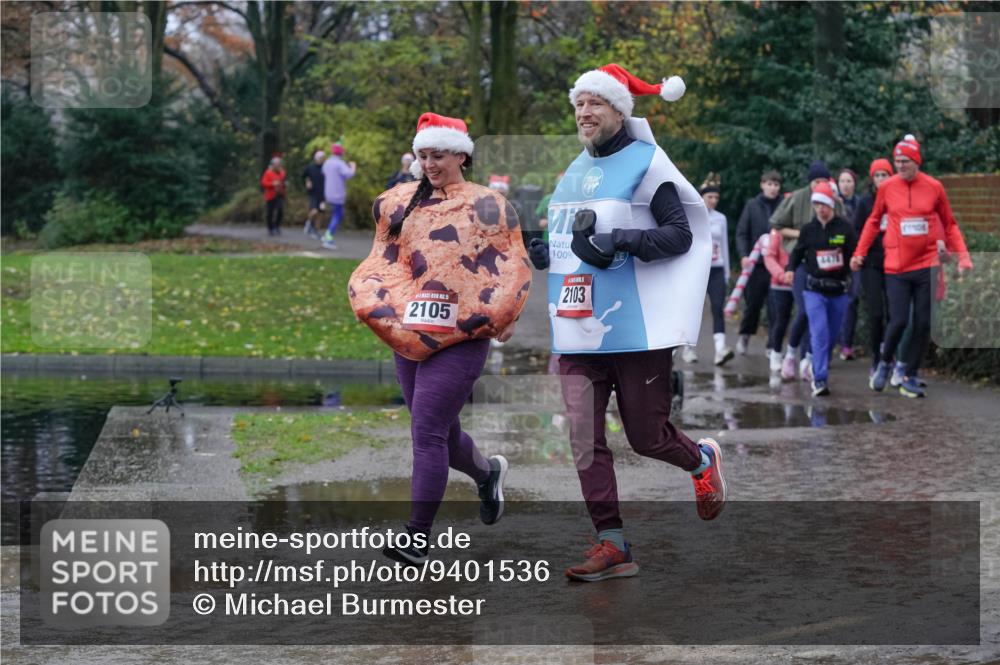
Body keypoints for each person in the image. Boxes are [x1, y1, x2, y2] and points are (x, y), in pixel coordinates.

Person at [527, 63, 727, 582]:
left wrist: (623, 240)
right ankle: (611, 542)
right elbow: (569, 242)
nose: (584, 112)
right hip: (577, 326)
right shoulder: (572, 171)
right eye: (579, 104)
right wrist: (544, 251)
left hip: (636, 328)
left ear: (620, 109)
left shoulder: (648, 164)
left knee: (646, 436)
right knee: (583, 436)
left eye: (595, 103)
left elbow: (680, 235)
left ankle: (701, 461)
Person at [348, 113, 531, 566]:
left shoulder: (489, 204)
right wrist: (375, 302)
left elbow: (511, 262)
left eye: (440, 155)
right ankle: (487, 475)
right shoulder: (400, 202)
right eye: (424, 155)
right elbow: (385, 259)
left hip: (464, 333)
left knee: (426, 432)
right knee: (441, 434)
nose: (430, 164)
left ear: (462, 155)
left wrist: (504, 313)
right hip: (410, 331)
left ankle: (416, 538)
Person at [852, 134, 973, 398]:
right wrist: (859, 252)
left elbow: (950, 224)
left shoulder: (934, 187)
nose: (900, 166)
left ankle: (908, 373)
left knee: (923, 323)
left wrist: (963, 257)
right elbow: (873, 221)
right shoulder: (887, 188)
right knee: (898, 321)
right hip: (896, 266)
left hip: (927, 263)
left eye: (905, 161)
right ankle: (884, 363)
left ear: (917, 161)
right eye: (897, 161)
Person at [771, 161, 847, 381]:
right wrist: (802, 235)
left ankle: (808, 359)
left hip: (827, 267)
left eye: (824, 181)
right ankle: (791, 355)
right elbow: (776, 224)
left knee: (820, 317)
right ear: (810, 182)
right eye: (816, 182)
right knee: (805, 311)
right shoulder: (797, 198)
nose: (819, 185)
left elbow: (844, 229)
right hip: (802, 260)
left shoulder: (834, 202)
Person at [783, 181, 856, 397]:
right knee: (819, 334)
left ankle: (817, 366)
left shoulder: (845, 228)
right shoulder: (808, 230)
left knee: (831, 337)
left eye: (824, 205)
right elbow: (797, 253)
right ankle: (820, 378)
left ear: (831, 205)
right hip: (814, 290)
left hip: (838, 291)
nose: (820, 209)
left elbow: (856, 252)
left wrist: (855, 262)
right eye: (816, 205)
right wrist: (790, 269)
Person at [850, 158, 894, 374]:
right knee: (876, 313)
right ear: (872, 179)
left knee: (894, 314)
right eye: (877, 175)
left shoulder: (897, 199)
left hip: (895, 263)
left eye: (884, 175)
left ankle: (890, 356)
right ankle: (876, 358)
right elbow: (856, 230)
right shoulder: (865, 203)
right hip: (871, 265)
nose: (880, 179)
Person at [735, 170, 783, 355]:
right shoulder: (752, 205)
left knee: (775, 307)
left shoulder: (783, 205)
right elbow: (742, 233)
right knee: (753, 305)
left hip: (776, 266)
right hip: (755, 265)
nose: (772, 188)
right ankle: (745, 334)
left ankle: (772, 344)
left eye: (776, 185)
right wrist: (743, 255)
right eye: (769, 184)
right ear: (762, 185)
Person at [687, 174, 733, 365]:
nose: (713, 201)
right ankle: (688, 348)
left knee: (717, 307)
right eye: (709, 197)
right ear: (702, 197)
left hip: (716, 269)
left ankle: (720, 349)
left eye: (716, 198)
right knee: (693, 309)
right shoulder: (692, 215)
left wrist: (727, 273)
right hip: (697, 270)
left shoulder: (721, 219)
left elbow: (724, 245)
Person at [835, 168, 861, 359]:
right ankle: (833, 341)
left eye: (849, 181)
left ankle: (846, 344)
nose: (845, 184)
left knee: (852, 299)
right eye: (842, 181)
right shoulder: (832, 204)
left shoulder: (860, 204)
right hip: (836, 256)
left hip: (857, 257)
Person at [762, 227, 794, 376]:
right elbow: (769, 256)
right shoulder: (777, 232)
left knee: (803, 319)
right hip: (780, 284)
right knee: (781, 319)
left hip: (800, 283)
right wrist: (781, 275)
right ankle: (776, 352)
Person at [321, 143, 357, 250]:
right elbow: (349, 174)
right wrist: (353, 166)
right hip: (338, 194)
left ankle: (327, 234)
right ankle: (328, 239)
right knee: (338, 215)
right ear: (341, 152)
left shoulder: (327, 162)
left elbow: (324, 172)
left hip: (328, 193)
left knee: (335, 215)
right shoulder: (340, 163)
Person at [260, 155, 286, 236]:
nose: (278, 166)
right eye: (277, 164)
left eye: (279, 164)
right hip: (270, 195)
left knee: (280, 210)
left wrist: (284, 185)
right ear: (273, 165)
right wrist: (272, 184)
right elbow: (263, 183)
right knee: (270, 212)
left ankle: (277, 226)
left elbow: (283, 181)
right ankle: (270, 228)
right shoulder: (268, 172)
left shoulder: (282, 172)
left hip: (280, 194)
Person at [302, 150, 326, 238]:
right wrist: (307, 181)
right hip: (313, 193)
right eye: (320, 158)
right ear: (316, 158)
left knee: (321, 213)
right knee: (314, 210)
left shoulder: (325, 168)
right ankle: (308, 223)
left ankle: (316, 230)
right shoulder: (310, 167)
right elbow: (304, 176)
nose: (322, 160)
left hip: (323, 194)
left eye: (323, 158)